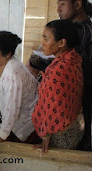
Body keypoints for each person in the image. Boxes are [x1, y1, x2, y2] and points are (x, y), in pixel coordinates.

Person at [32, 19, 84, 153]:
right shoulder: (72, 59)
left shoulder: (61, 69)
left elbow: (55, 107)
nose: (42, 43)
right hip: (73, 126)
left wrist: (46, 134)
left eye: (46, 38)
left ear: (62, 43)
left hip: (61, 133)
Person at [0, 31, 40, 149]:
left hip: (28, 122)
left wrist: (1, 135)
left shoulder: (14, 72)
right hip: (13, 121)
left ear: (8, 54)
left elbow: (12, 105)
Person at [57, 0, 92, 151]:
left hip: (85, 94)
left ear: (77, 4)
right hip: (70, 95)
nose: (58, 9)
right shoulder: (68, 29)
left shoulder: (88, 32)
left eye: (63, 4)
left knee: (82, 138)